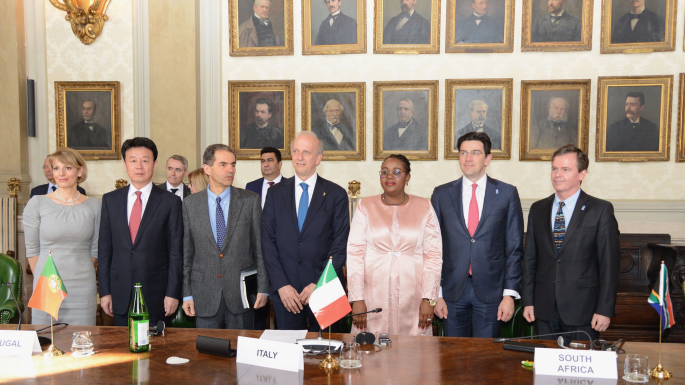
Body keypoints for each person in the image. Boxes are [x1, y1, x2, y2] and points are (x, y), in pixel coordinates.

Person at [522, 144, 620, 341]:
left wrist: (604, 309)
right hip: (544, 309)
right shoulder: (538, 209)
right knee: (546, 369)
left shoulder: (600, 210)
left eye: (565, 169)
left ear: (582, 173)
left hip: (584, 310)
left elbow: (609, 265)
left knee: (581, 369)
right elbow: (530, 259)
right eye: (554, 168)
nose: (557, 174)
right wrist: (528, 301)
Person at [431, 132, 524, 338]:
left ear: (487, 159)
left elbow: (515, 248)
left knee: (486, 359)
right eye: (463, 153)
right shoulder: (441, 194)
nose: (468, 158)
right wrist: (435, 294)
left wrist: (509, 294)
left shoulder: (507, 193)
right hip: (452, 291)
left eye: (475, 153)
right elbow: (432, 248)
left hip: (492, 291)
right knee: (453, 358)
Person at [262, 131, 350, 331]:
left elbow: (340, 245)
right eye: (295, 151)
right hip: (286, 294)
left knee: (328, 355)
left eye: (306, 152)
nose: (299, 157)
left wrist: (318, 284)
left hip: (325, 288)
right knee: (290, 356)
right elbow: (267, 241)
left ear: (318, 158)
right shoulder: (275, 194)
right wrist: (282, 285)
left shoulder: (336, 195)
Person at [347, 154, 442, 336]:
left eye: (396, 172)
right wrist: (357, 298)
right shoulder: (365, 206)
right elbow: (355, 253)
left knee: (412, 355)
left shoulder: (424, 206)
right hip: (373, 294)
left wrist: (429, 299)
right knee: (372, 352)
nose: (389, 176)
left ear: (408, 178)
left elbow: (433, 255)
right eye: (384, 172)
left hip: (414, 297)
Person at [181, 144, 269, 329]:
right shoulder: (190, 204)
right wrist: (187, 294)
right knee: (207, 355)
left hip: (242, 297)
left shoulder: (250, 201)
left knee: (241, 355)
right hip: (204, 296)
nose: (230, 169)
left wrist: (263, 288)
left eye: (233, 164)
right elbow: (187, 254)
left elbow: (259, 249)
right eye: (223, 164)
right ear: (207, 169)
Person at [98, 137, 183, 326]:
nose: (139, 166)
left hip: (157, 295)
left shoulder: (170, 202)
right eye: (133, 160)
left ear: (154, 165)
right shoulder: (110, 200)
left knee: (157, 351)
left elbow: (176, 252)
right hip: (119, 294)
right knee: (121, 352)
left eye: (145, 160)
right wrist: (105, 292)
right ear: (125, 165)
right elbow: (104, 251)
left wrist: (172, 293)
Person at [23, 148, 100, 325]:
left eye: (68, 167)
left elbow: (95, 249)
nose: (61, 173)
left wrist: (79, 270)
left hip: (82, 286)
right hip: (47, 283)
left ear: (79, 171)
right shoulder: (37, 203)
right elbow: (32, 250)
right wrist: (45, 281)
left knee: (81, 343)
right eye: (56, 168)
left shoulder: (95, 206)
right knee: (46, 343)